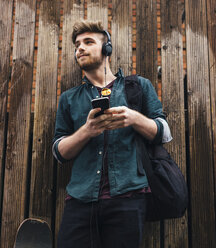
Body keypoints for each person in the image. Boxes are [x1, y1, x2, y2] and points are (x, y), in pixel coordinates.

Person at [52, 20, 172, 248]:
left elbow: (164, 133)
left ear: (107, 49)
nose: (80, 48)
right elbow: (59, 152)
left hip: (128, 197)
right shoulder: (68, 98)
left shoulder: (138, 86)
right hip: (80, 200)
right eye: (77, 44)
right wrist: (87, 131)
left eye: (88, 42)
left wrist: (134, 118)